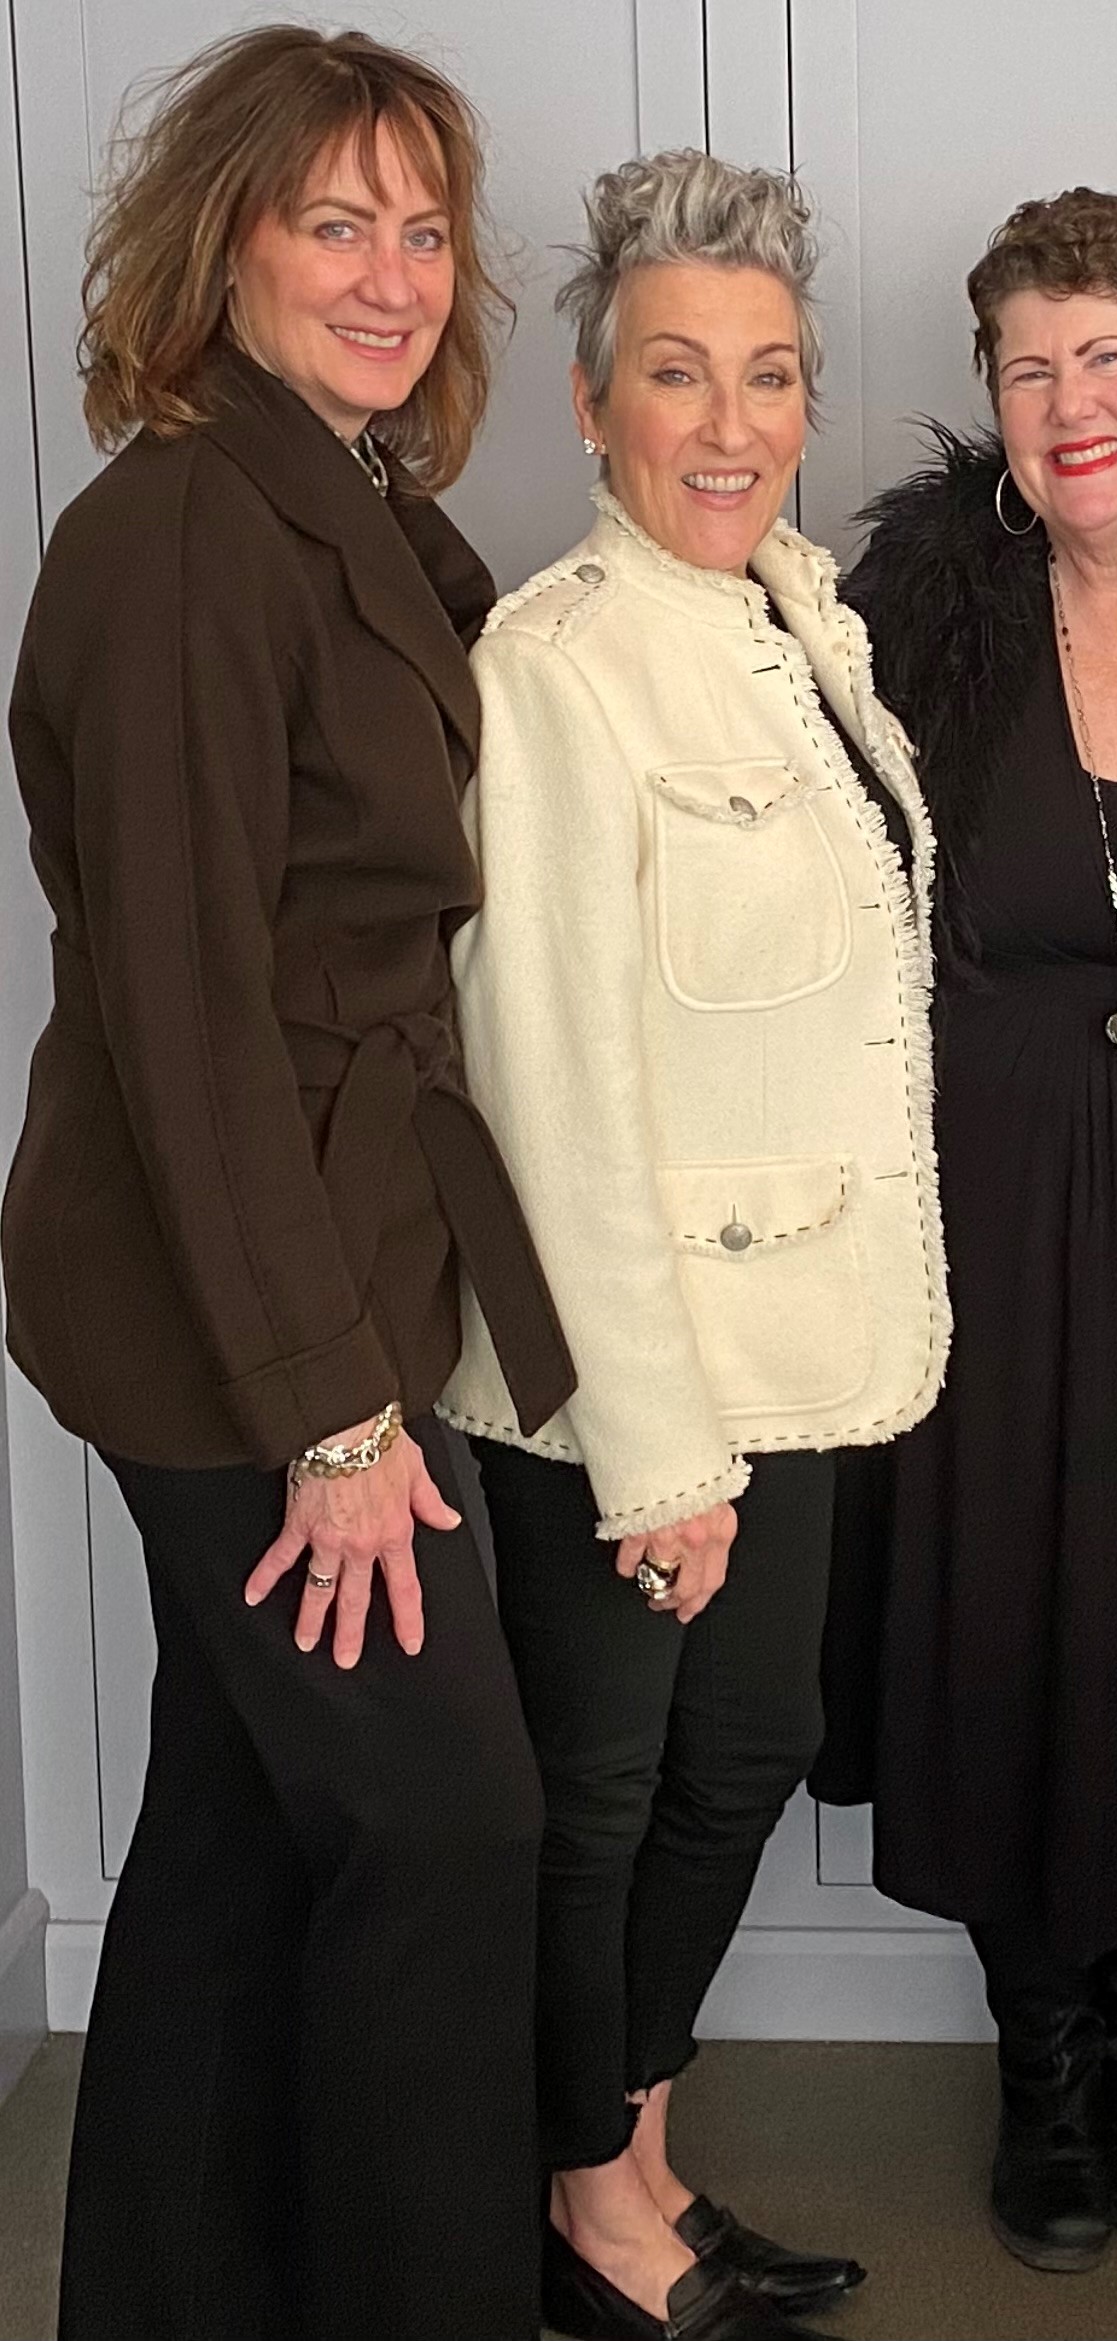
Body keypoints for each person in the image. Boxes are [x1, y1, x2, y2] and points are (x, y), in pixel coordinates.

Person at [1, 26, 575, 2340]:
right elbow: (188, 1016)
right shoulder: (170, 541)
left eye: (421, 231)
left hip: (343, 1252)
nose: (391, 276)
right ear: (220, 244)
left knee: (244, 1834)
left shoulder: (331, 499)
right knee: (448, 1826)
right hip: (234, 1315)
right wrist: (332, 1414)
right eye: (334, 223)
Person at [439, 149, 951, 2341]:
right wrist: (653, 1457)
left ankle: (627, 2163)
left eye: (769, 373)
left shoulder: (800, 627)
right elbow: (546, 1088)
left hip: (793, 1342)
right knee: (602, 1796)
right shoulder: (552, 666)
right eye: (676, 372)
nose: (730, 423)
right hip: (620, 1385)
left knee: (739, 1759)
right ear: (590, 404)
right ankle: (590, 2213)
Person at [813, 185, 1117, 2273]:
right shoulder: (909, 621)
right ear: (990, 404)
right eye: (1025, 366)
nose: (1069, 402)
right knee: (996, 1601)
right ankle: (1034, 2051)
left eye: (1107, 357)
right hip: (966, 1206)